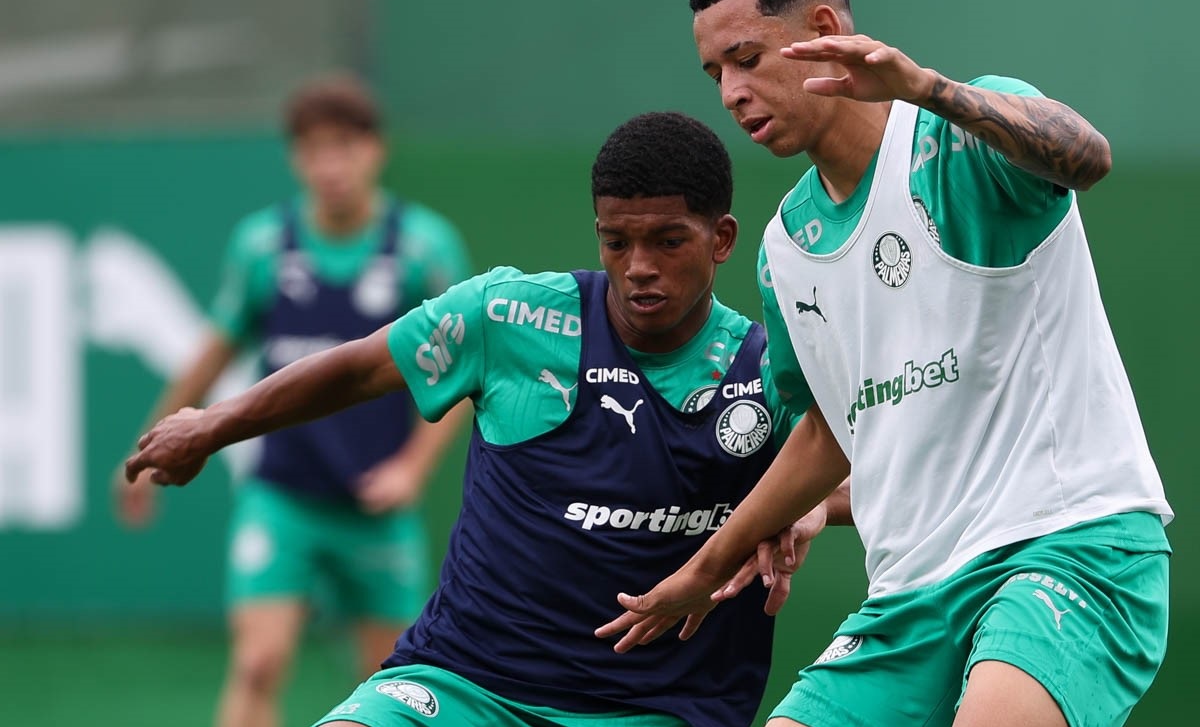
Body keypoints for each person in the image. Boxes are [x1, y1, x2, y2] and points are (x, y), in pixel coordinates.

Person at [598, 0, 1173, 727]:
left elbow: (1088, 156)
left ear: (826, 35)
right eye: (715, 73)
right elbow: (825, 432)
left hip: (1069, 546)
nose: (730, 91)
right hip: (912, 596)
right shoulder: (786, 246)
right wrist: (711, 562)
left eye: (747, 58)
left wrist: (927, 85)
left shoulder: (959, 137)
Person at [125, 111, 851, 727]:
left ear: (720, 239)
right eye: (616, 240)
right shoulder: (509, 316)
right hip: (466, 684)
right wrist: (210, 424)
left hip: (659, 705)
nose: (638, 267)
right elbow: (358, 367)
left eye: (667, 241)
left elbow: (868, 468)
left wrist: (806, 504)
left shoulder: (768, 366)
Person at [115, 73, 473, 727]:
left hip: (373, 505)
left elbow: (466, 379)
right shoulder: (262, 246)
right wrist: (147, 441)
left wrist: (411, 470)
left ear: (375, 150)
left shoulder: (425, 247)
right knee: (257, 662)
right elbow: (213, 352)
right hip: (282, 496)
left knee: (394, 685)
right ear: (295, 158)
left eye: (345, 145)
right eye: (314, 148)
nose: (330, 164)